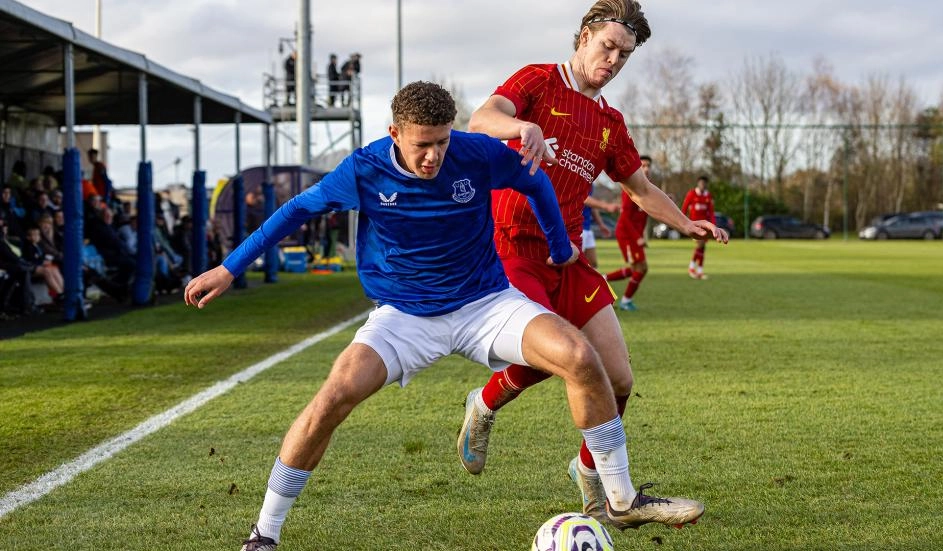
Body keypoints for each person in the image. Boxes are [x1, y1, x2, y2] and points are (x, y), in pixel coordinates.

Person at [184, 82, 695, 550]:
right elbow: (295, 210)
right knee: (333, 396)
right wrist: (230, 269)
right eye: (421, 144)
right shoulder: (363, 170)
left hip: (485, 303)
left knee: (581, 358)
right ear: (394, 134)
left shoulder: (475, 152)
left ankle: (622, 500)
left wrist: (560, 246)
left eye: (441, 143)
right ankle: (264, 534)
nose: (433, 156)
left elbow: (534, 182)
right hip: (404, 315)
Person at [457, 0, 727, 529]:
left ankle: (589, 471)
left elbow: (641, 188)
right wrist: (519, 130)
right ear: (583, 37)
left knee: (619, 377)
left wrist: (684, 222)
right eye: (607, 46)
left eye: (624, 55)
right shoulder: (538, 80)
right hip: (512, 248)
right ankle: (483, 407)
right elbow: (482, 119)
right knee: (559, 355)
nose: (614, 60)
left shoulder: (609, 122)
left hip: (568, 258)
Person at [604, 155, 654, 310]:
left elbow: (644, 216)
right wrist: (637, 237)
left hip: (634, 235)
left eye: (648, 166)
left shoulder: (647, 189)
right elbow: (625, 218)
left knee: (637, 268)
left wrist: (642, 236)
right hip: (626, 233)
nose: (646, 169)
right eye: (643, 165)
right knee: (641, 268)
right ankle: (625, 301)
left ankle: (603, 279)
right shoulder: (630, 189)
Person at [681, 175, 716, 280]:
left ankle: (699, 271)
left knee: (703, 248)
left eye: (704, 183)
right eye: (701, 183)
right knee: (700, 245)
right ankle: (691, 268)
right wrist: (681, 221)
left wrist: (713, 225)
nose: (702, 185)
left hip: (705, 226)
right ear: (698, 183)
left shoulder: (708, 196)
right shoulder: (692, 194)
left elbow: (711, 212)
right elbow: (684, 207)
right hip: (694, 225)